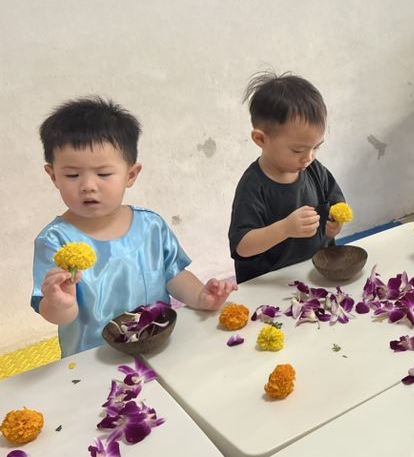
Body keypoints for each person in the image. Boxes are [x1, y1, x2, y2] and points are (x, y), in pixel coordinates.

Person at [33, 97, 236, 357]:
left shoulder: (150, 226)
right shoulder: (55, 241)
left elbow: (172, 274)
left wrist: (200, 297)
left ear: (131, 175)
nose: (88, 185)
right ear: (53, 177)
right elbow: (58, 315)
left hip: (157, 345)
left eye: (103, 174)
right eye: (72, 175)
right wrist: (59, 302)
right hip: (92, 360)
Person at [229, 72, 345, 283]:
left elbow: (336, 203)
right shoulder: (253, 186)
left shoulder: (314, 169)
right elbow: (242, 246)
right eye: (297, 150)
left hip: (315, 274)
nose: (309, 157)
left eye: (316, 147)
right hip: (269, 285)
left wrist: (336, 223)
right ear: (261, 139)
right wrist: (284, 229)